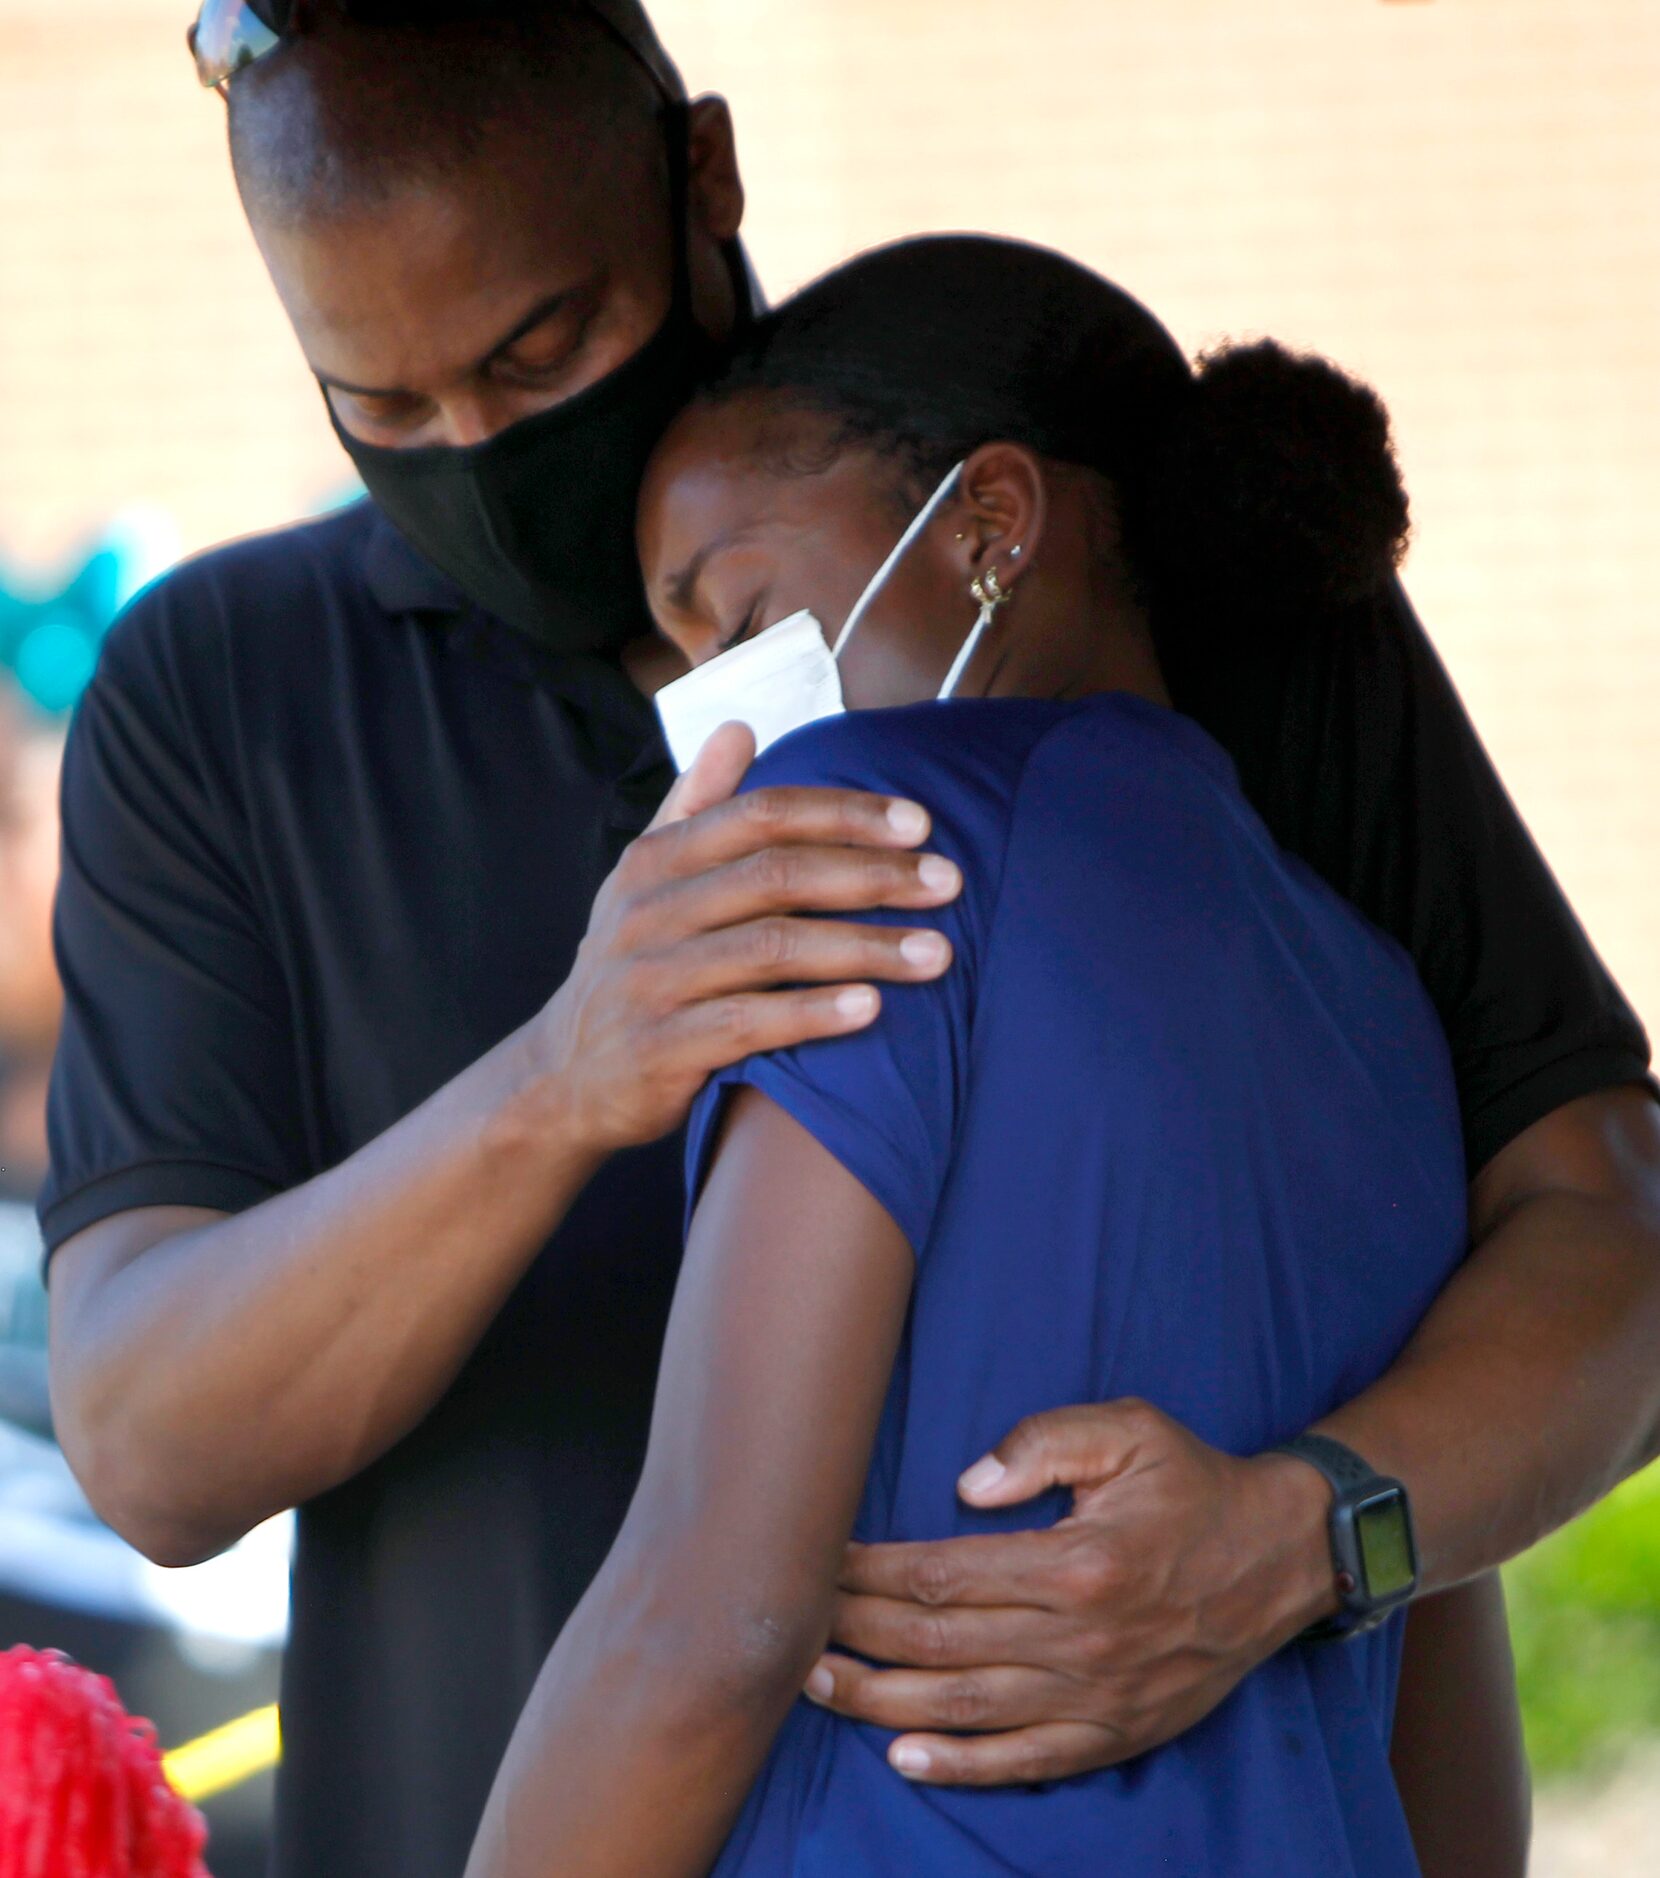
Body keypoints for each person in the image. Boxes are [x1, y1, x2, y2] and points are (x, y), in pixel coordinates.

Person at [38, 5, 1658, 1876]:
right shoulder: (227, 692)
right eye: (379, 407)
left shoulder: (1076, 665)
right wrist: (558, 1082)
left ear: (701, 172)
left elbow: (1588, 1232)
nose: (478, 451)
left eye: (542, 345)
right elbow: (149, 1440)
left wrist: (1315, 1531)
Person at [458, 232, 1502, 1877]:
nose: (715, 712)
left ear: (990, 526)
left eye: (733, 614)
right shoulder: (1378, 995)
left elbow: (708, 1619)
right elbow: (1461, 1779)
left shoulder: (871, 853)